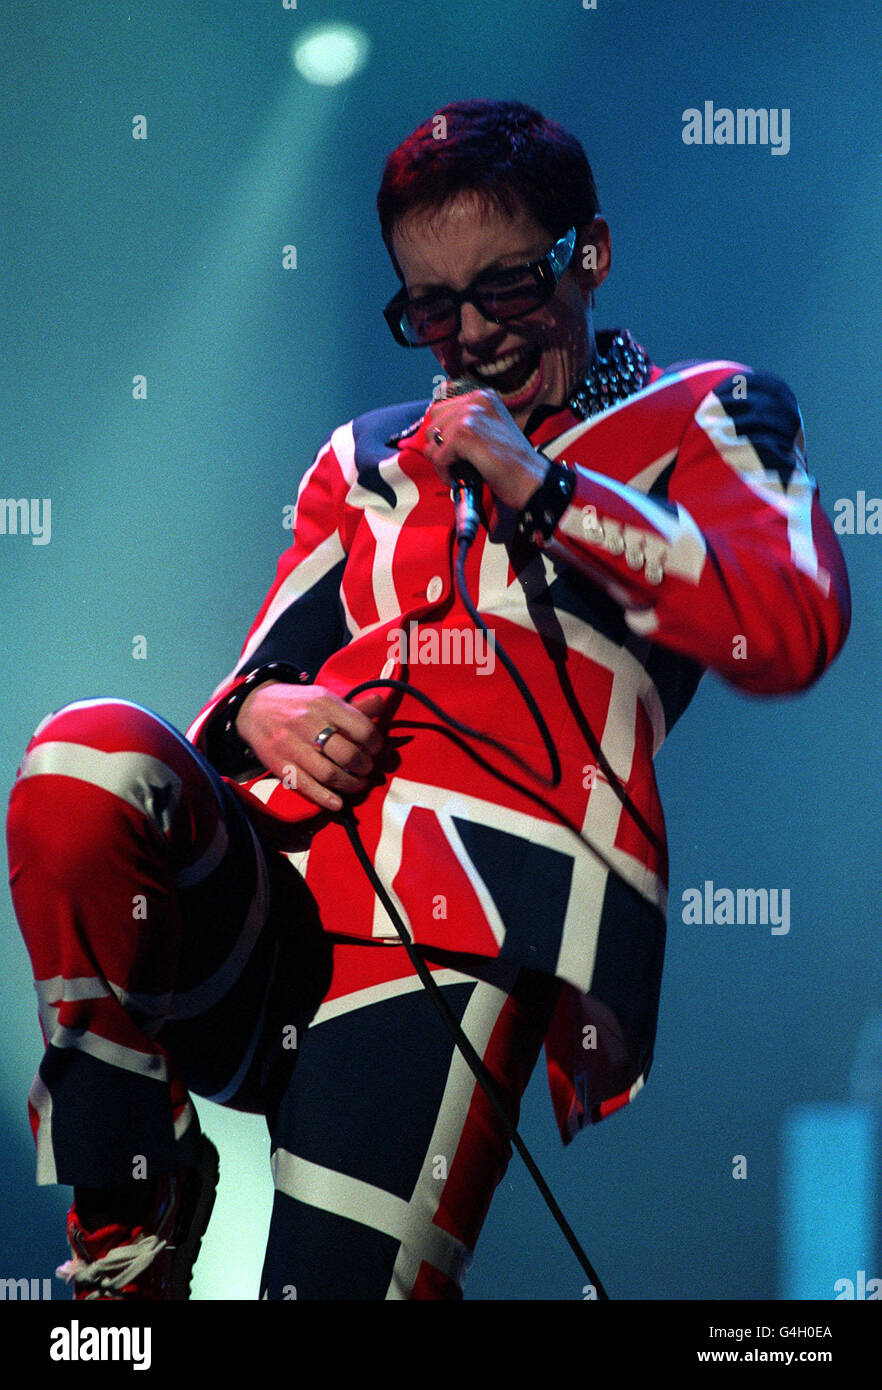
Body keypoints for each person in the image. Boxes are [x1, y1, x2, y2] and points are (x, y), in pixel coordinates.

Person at [6, 99, 850, 1301]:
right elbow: (252, 676)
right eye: (431, 308)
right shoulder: (362, 458)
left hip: (460, 924)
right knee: (76, 764)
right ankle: (133, 1208)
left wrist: (544, 484)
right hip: (270, 886)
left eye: (506, 290)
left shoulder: (707, 411)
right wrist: (258, 714)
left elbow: (793, 621)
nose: (471, 339)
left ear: (588, 255)